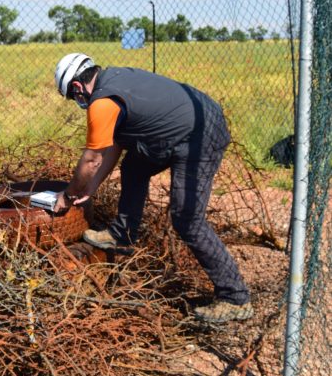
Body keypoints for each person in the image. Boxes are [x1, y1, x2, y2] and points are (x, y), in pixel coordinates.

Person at [53, 52, 253, 324]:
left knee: (187, 219)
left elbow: (91, 159)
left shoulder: (102, 103)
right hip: (180, 127)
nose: (77, 102)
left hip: (201, 133)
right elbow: (115, 146)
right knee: (134, 166)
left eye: (73, 97)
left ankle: (235, 298)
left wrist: (68, 194)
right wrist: (93, 187)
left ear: (77, 88)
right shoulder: (114, 78)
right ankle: (122, 234)